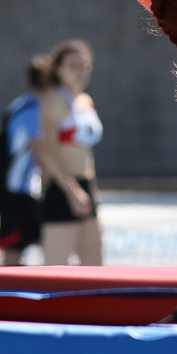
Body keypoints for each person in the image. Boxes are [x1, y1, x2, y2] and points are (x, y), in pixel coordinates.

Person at [38, 39, 103, 266]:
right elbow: (48, 150)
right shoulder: (53, 99)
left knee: (94, 267)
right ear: (59, 70)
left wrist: (91, 188)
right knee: (55, 269)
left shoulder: (85, 101)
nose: (81, 71)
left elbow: (85, 152)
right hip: (62, 187)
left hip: (86, 186)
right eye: (73, 66)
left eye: (85, 65)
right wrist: (72, 190)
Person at [0, 56, 51, 266]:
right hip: (20, 191)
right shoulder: (34, 111)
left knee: (23, 246)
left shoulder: (17, 105)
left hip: (12, 190)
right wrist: (50, 183)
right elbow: (38, 150)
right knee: (15, 252)